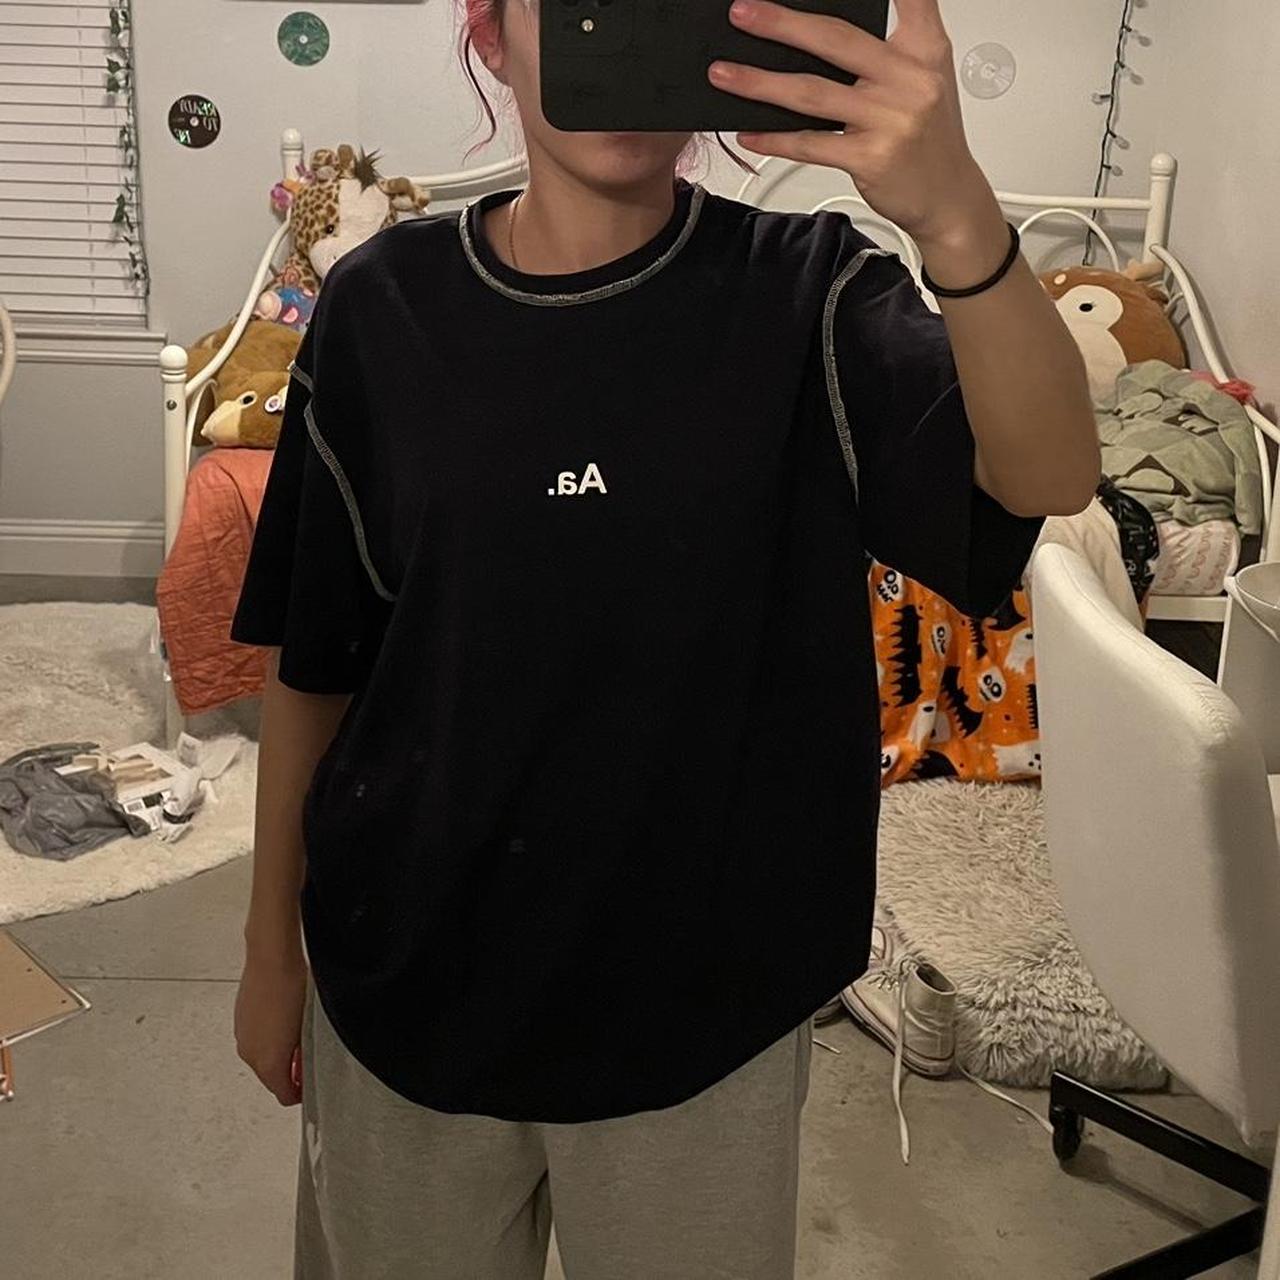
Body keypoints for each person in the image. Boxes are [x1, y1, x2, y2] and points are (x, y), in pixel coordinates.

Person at [230, 0, 1100, 1275]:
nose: (624, 38)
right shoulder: (382, 307)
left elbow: (1049, 473)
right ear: (492, 34)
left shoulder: (810, 290)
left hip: (701, 1004)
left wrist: (955, 214)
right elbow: (315, 663)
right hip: (405, 973)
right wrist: (269, 949)